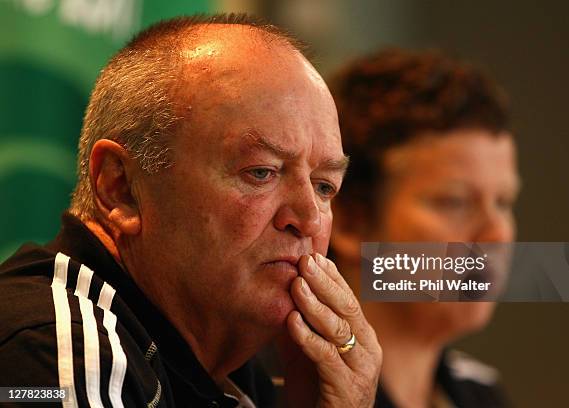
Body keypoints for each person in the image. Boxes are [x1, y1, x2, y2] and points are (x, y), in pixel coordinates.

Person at [0, 14, 382, 407]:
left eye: (324, 187)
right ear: (122, 188)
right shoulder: (56, 349)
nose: (308, 219)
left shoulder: (239, 373)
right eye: (261, 172)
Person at [329, 49, 521, 408]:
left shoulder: (481, 394)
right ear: (350, 222)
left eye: (503, 202)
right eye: (455, 202)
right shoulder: (276, 391)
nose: (498, 235)